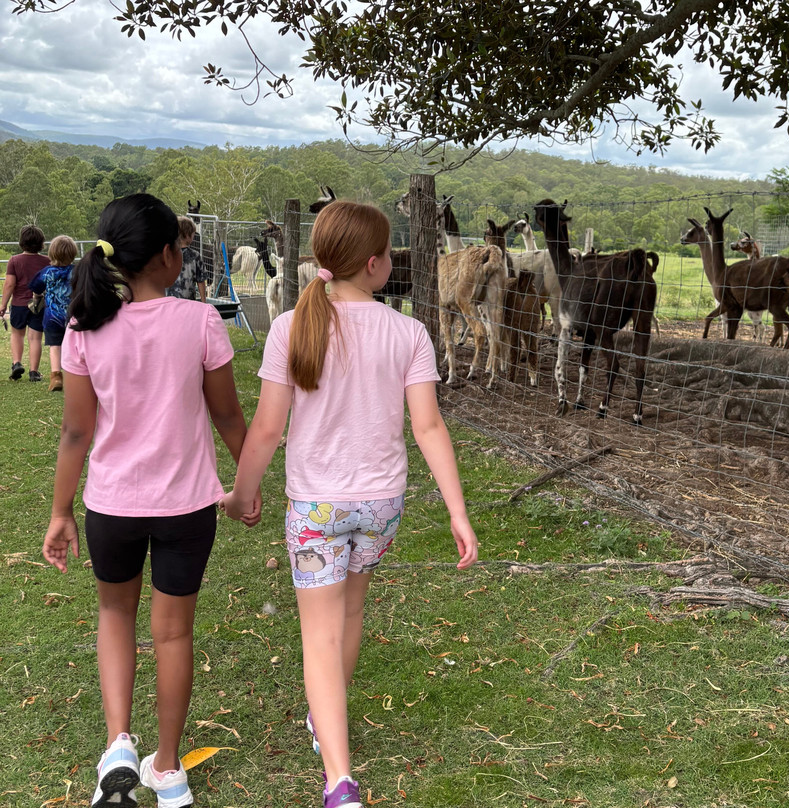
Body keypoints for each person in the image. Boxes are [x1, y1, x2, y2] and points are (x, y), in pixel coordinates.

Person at [220, 200, 479, 808]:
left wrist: (241, 494)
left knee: (319, 634)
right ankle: (325, 719)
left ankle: (339, 779)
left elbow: (265, 431)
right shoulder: (409, 333)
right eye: (389, 252)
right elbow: (430, 428)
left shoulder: (290, 327)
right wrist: (456, 511)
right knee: (351, 615)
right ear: (374, 264)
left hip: (317, 508)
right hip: (381, 504)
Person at [41, 194, 256, 808]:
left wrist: (61, 513)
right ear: (168, 254)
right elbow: (228, 416)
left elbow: (76, 433)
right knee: (173, 636)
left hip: (111, 507)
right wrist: (248, 486)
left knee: (115, 618)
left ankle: (118, 744)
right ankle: (168, 766)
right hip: (187, 509)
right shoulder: (201, 322)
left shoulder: (86, 327)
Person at [28, 234, 78, 392]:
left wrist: (37, 298)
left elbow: (35, 287)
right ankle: (77, 376)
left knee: (55, 346)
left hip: (52, 318)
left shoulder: (47, 272)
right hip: (75, 317)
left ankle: (56, 376)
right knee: (76, 346)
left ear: (52, 253)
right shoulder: (77, 271)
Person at [1, 224, 49, 381]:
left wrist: (2, 305)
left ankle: (16, 363)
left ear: (21, 242)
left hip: (19, 304)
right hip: (38, 303)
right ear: (41, 243)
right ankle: (34, 372)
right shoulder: (47, 261)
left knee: (17, 334)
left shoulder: (14, 260)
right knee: (35, 337)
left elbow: (9, 284)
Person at [166, 215, 208, 302]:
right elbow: (201, 281)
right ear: (187, 235)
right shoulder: (195, 256)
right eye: (193, 234)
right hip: (188, 303)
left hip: (168, 303)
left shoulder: (166, 254)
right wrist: (204, 301)